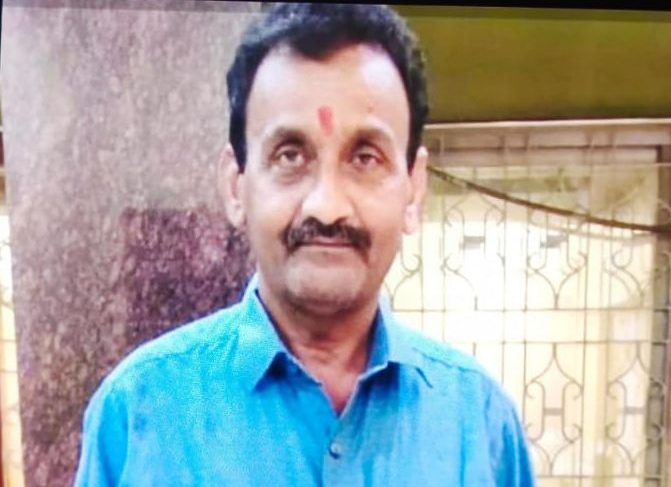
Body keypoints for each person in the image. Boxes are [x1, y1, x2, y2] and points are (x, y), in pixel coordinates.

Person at [74, 4, 535, 486]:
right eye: (290, 156)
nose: (327, 207)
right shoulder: (139, 416)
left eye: (365, 157)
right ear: (236, 187)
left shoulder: (480, 427)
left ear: (413, 190)